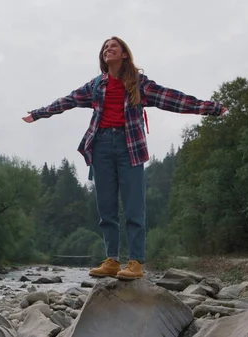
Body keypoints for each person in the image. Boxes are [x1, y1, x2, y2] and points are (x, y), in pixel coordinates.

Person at [22, 36, 228, 280]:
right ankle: (111, 260)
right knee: (106, 208)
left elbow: (172, 99)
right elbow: (67, 101)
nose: (108, 50)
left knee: (134, 206)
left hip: (129, 146)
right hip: (100, 147)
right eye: (105, 48)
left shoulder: (138, 84)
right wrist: (38, 114)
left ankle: (136, 262)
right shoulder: (96, 85)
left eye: (113, 47)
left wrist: (211, 108)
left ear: (124, 55)